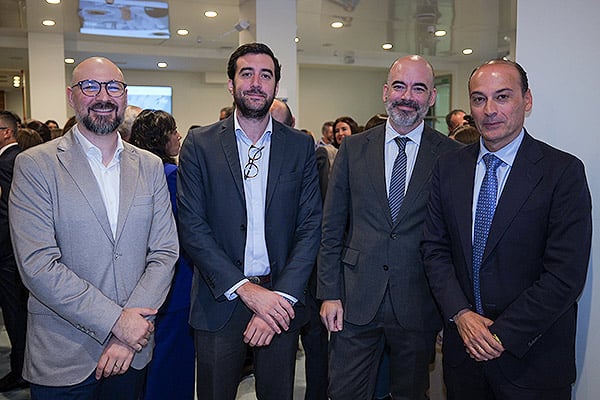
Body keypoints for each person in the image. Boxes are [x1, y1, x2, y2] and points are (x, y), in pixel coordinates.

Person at [421, 59, 592, 400]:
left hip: (532, 362)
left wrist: (500, 335)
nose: (489, 110)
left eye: (502, 97)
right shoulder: (449, 167)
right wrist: (461, 314)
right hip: (463, 358)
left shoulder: (562, 172)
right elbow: (434, 249)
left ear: (526, 100)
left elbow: (564, 275)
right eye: (479, 99)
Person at [8, 56, 179, 399]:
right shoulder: (35, 165)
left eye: (113, 86)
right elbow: (38, 266)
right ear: (72, 96)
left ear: (125, 96)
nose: (103, 96)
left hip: (133, 353)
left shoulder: (148, 166)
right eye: (90, 86)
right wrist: (119, 323)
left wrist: (130, 331)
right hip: (64, 355)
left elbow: (164, 252)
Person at [177, 42, 322, 400]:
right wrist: (246, 290)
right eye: (247, 73)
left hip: (281, 301)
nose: (256, 82)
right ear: (231, 83)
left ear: (275, 86)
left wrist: (279, 297)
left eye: (266, 75)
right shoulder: (199, 143)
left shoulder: (300, 147)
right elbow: (192, 227)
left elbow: (309, 227)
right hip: (220, 301)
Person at [318, 55, 460, 399]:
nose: (407, 96)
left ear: (431, 98)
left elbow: (454, 240)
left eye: (418, 88)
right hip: (354, 298)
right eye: (399, 86)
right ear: (385, 92)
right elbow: (332, 226)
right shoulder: (352, 148)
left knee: (410, 393)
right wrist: (329, 293)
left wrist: (451, 308)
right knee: (345, 391)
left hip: (418, 301)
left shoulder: (452, 155)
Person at [129, 109, 194, 400]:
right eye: (173, 130)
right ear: (161, 138)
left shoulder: (132, 171)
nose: (178, 135)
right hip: (176, 276)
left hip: (140, 276)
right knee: (172, 358)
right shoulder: (170, 175)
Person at [0, 110, 28, 392]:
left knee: (15, 315)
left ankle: (20, 370)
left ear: (7, 132)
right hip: (10, 255)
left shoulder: (9, 161)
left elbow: (10, 213)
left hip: (8, 256)